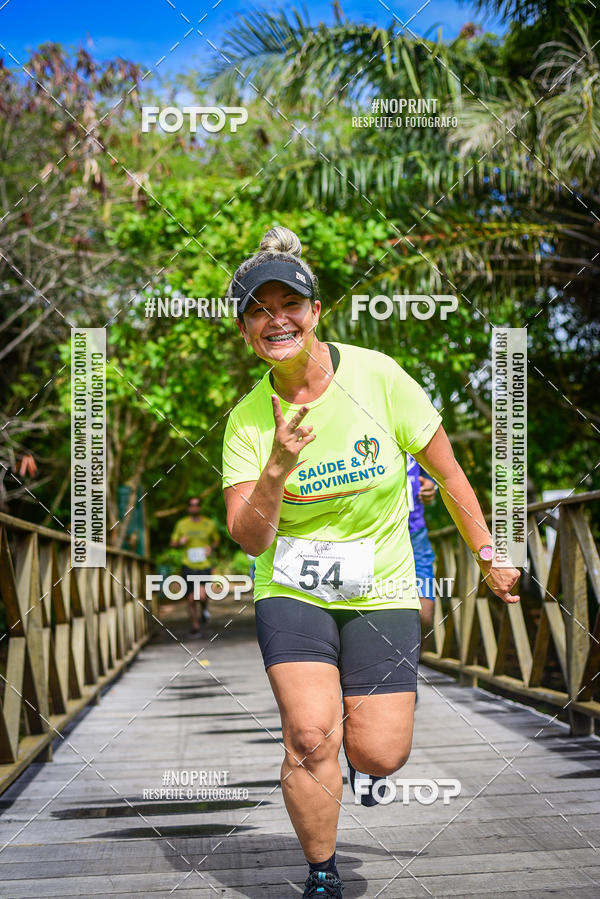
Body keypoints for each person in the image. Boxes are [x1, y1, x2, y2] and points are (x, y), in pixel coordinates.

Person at [221, 226, 520, 898]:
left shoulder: (379, 376)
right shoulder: (246, 421)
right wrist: (277, 464)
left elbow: (448, 475)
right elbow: (248, 536)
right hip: (292, 583)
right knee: (308, 733)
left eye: (289, 304)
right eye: (259, 311)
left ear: (315, 310)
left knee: (379, 752)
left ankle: (351, 758)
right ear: (245, 330)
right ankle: (321, 874)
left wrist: (489, 550)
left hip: (382, 581)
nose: (277, 320)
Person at [169, 497, 219, 634]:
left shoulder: (209, 524)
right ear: (188, 508)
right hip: (188, 565)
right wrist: (180, 542)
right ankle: (195, 626)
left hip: (204, 565)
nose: (194, 508)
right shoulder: (181, 524)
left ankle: (204, 609)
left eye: (197, 505)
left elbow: (216, 541)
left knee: (202, 596)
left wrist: (211, 548)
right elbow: (173, 543)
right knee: (191, 599)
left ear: (200, 507)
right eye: (191, 505)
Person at [406, 452, 438, 634]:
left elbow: (432, 474)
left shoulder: (415, 428)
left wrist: (430, 485)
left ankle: (412, 661)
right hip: (374, 535)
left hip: (415, 532)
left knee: (424, 617)